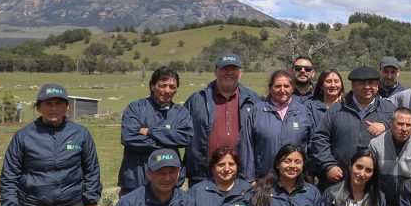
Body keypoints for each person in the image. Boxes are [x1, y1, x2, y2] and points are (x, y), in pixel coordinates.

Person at [310, 66, 395, 185]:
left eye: (371, 83)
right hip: (340, 178)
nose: (367, 87)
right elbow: (319, 139)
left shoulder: (390, 109)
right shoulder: (336, 110)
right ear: (353, 86)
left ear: (377, 85)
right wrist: (328, 165)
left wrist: (386, 125)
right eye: (362, 83)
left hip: (376, 180)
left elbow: (404, 130)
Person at [184, 53, 259, 187]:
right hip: (203, 176)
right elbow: (179, 130)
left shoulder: (253, 100)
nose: (229, 73)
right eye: (224, 69)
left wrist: (253, 174)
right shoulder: (197, 100)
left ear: (241, 73)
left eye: (234, 69)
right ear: (215, 72)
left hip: (242, 176)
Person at [117, 66, 193, 196]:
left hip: (169, 185)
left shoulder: (181, 113)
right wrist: (168, 141)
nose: (167, 90)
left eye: (172, 87)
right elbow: (129, 138)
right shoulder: (135, 108)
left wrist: (151, 131)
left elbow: (185, 138)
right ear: (152, 86)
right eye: (162, 85)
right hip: (136, 181)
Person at [237, 70, 315, 180]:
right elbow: (246, 146)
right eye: (277, 86)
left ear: (292, 88)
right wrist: (249, 178)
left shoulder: (303, 112)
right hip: (264, 179)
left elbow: (312, 145)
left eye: (286, 86)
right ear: (270, 88)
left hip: (296, 179)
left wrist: (309, 174)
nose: (282, 90)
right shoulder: (257, 111)